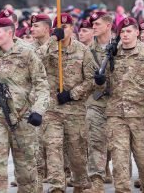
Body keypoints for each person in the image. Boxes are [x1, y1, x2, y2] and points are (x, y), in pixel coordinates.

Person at [0, 17, 50, 192]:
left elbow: (42, 85)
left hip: (23, 118)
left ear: (9, 32)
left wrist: (38, 110)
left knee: (26, 173)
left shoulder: (27, 53)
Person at [95, 17, 144, 193]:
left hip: (140, 114)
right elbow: (105, 83)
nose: (125, 34)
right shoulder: (112, 54)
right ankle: (122, 189)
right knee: (119, 159)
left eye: (129, 31)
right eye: (122, 32)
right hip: (116, 114)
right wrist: (100, 80)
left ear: (137, 33)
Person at [38, 13, 93, 192]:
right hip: (52, 109)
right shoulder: (49, 48)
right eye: (59, 27)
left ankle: (80, 183)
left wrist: (72, 94)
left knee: (77, 153)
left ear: (72, 28)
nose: (63, 30)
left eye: (66, 27)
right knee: (53, 147)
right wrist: (53, 39)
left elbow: (91, 80)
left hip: (75, 109)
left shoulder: (82, 51)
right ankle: (56, 187)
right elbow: (35, 61)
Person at [83, 11, 115, 191]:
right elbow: (85, 77)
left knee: (119, 146)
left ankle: (121, 181)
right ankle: (96, 183)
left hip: (120, 102)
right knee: (95, 142)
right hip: (96, 102)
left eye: (97, 24)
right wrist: (95, 82)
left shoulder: (121, 46)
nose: (93, 27)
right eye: (92, 24)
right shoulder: (87, 51)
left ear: (108, 25)